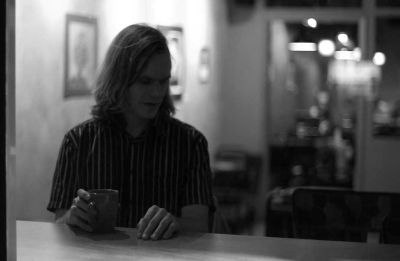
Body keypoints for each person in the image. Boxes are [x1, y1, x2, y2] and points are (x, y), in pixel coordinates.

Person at [47, 24, 215, 240]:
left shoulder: (190, 143)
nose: (157, 92)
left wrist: (175, 222)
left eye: (163, 81)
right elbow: (59, 227)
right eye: (145, 81)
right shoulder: (79, 141)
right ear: (119, 80)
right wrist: (73, 217)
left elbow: (200, 226)